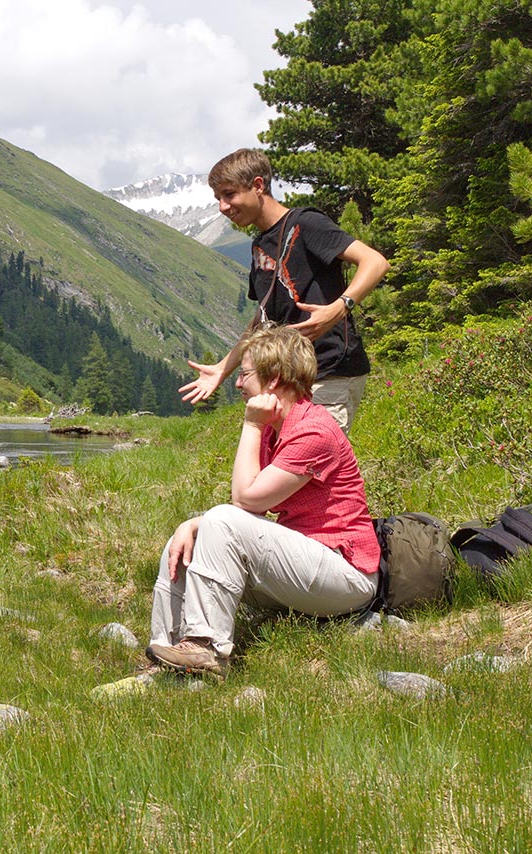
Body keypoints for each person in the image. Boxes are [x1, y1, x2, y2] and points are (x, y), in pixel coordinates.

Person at [146, 324, 380, 677]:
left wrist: (252, 425)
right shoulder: (280, 427)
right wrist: (192, 525)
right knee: (185, 542)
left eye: (244, 374)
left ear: (273, 379)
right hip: (306, 563)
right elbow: (247, 503)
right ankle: (167, 652)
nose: (238, 384)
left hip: (346, 576)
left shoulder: (313, 430)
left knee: (222, 520)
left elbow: (245, 500)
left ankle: (207, 649)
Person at [180, 149, 390, 434]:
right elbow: (261, 319)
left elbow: (375, 262)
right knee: (285, 468)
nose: (222, 206)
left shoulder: (306, 224)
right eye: (218, 198)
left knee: (310, 468)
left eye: (229, 194)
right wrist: (222, 368)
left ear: (257, 185)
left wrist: (339, 307)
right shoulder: (260, 245)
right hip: (290, 376)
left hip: (328, 371)